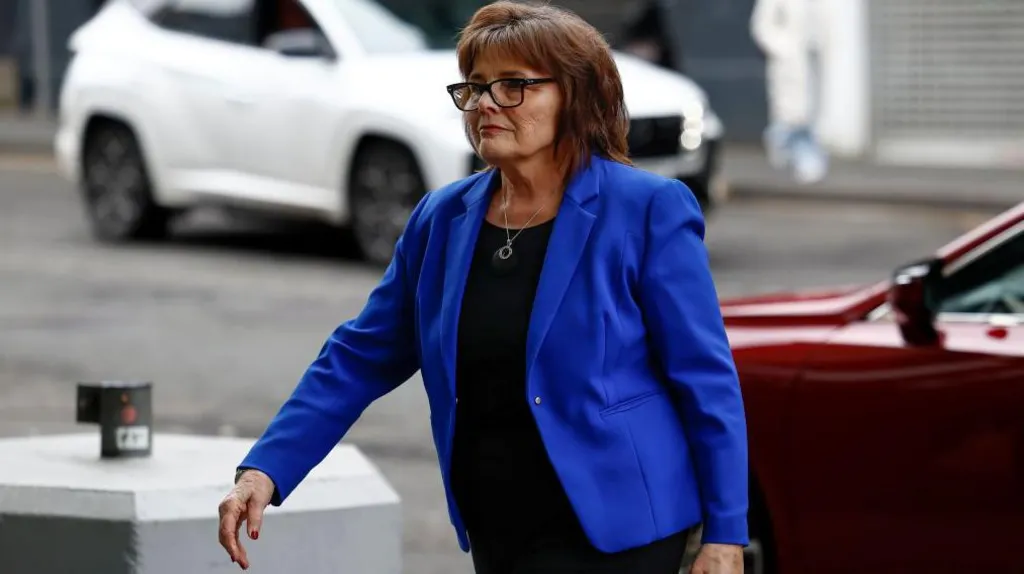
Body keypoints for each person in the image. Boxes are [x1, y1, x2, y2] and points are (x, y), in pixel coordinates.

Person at [217, 2, 748, 573]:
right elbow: (360, 354)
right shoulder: (441, 217)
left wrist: (725, 534)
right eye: (475, 87)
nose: (486, 103)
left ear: (575, 96)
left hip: (621, 524)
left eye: (514, 85)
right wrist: (266, 469)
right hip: (498, 522)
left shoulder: (647, 209)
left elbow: (704, 377)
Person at [750, 0, 829, 184]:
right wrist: (784, 49)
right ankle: (790, 154)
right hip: (787, 64)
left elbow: (818, 26)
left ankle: (799, 155)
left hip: (808, 61)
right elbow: (761, 27)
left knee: (806, 113)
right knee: (790, 115)